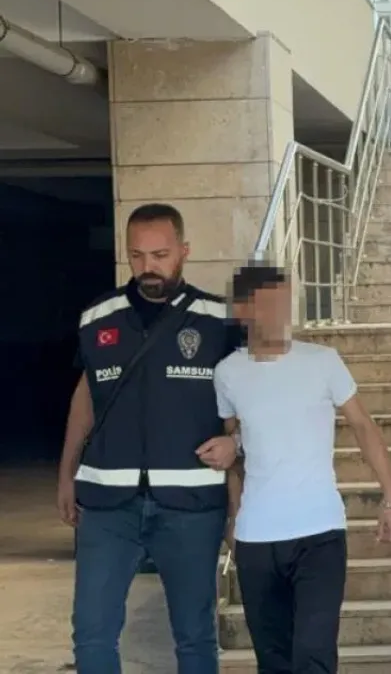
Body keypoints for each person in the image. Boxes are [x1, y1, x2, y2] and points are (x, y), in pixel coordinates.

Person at [58, 203, 240, 674]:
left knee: (195, 636)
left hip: (191, 505)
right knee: (92, 634)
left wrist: (236, 451)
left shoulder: (220, 321)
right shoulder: (97, 317)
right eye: (137, 255)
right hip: (107, 504)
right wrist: (66, 475)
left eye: (160, 255)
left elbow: (245, 404)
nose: (148, 267)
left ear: (184, 251)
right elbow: (86, 397)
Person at [212, 263, 391, 673]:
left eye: (285, 303)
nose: (280, 315)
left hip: (319, 533)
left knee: (313, 655)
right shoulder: (228, 373)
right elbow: (235, 454)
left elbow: (363, 426)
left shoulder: (323, 361)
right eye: (268, 304)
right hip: (256, 537)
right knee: (273, 661)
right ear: (243, 310)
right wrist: (233, 518)